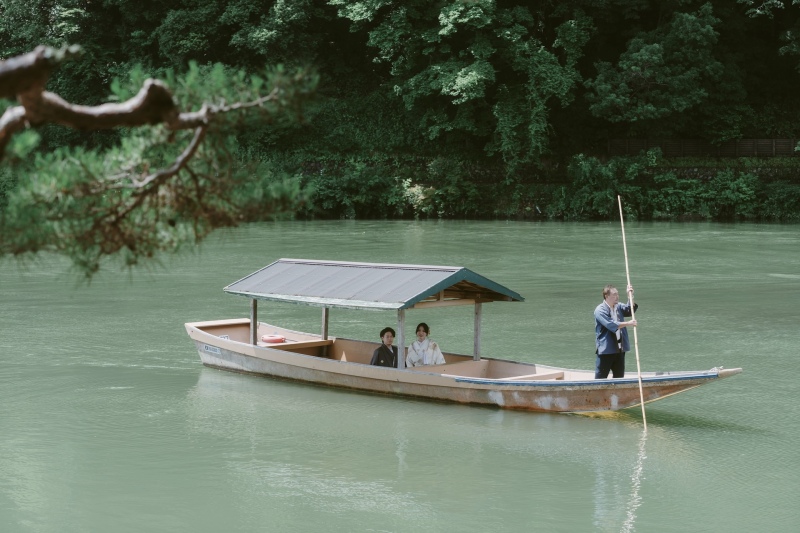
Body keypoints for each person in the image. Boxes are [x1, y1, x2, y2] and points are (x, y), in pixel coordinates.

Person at [594, 284, 638, 379]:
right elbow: (611, 324)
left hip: (620, 349)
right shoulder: (600, 310)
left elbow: (630, 310)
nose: (617, 296)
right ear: (607, 296)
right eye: (614, 294)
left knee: (619, 377)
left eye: (617, 294)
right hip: (606, 350)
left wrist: (630, 295)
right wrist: (628, 323)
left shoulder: (619, 307)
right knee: (600, 378)